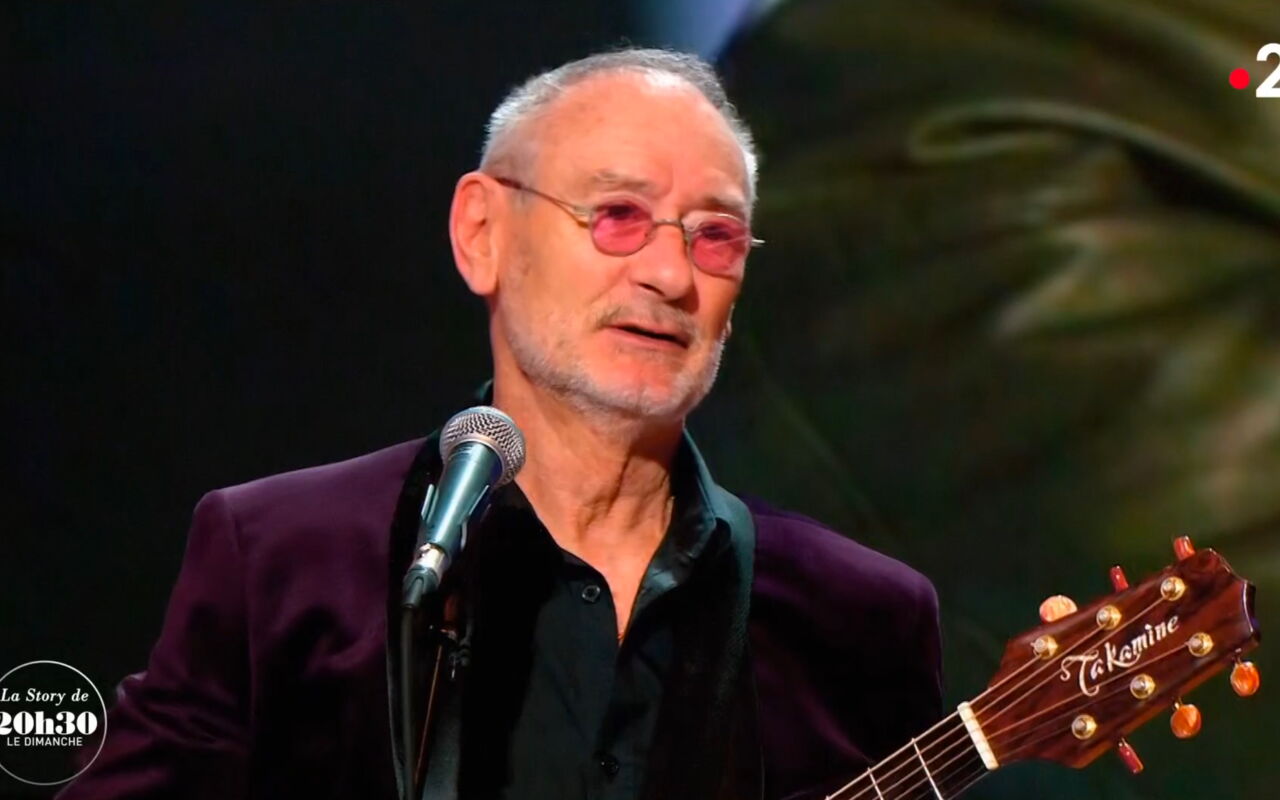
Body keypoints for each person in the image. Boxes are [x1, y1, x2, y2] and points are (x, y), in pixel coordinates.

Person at [56, 48, 942, 800]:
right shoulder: (283, 561)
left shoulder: (861, 620)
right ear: (482, 233)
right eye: (618, 217)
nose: (672, 276)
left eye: (715, 236)